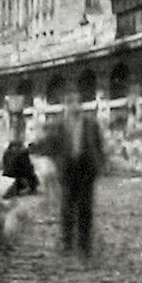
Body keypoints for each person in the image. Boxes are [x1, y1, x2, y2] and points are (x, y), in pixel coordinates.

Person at [40, 92, 107, 255]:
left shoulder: (91, 124)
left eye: (76, 103)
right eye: (70, 104)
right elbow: (49, 145)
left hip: (86, 169)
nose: (74, 107)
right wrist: (53, 161)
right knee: (67, 207)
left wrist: (100, 165)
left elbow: (98, 145)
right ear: (66, 107)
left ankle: (84, 243)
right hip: (67, 170)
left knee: (85, 207)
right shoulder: (58, 125)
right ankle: (67, 242)